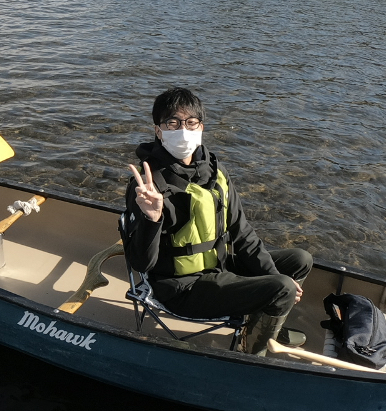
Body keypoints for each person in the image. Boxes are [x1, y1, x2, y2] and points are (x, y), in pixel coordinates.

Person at [124, 87, 312, 355]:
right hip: (181, 288)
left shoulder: (215, 171)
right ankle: (253, 356)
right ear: (158, 130)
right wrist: (152, 219)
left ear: (201, 127)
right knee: (281, 287)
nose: (183, 130)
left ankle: (263, 326)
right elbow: (141, 262)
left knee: (299, 260)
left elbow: (242, 233)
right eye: (173, 123)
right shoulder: (148, 186)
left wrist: (272, 277)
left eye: (191, 123)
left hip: (218, 267)